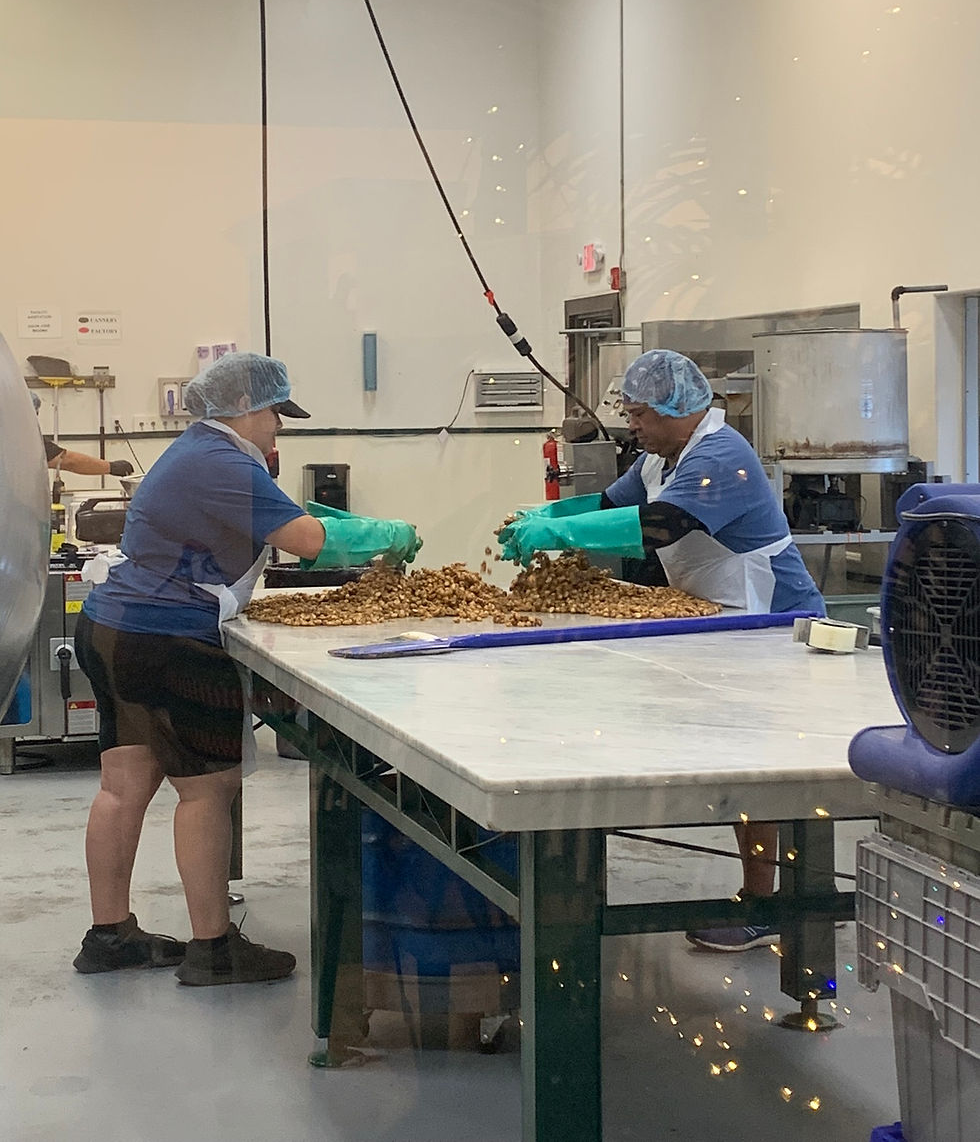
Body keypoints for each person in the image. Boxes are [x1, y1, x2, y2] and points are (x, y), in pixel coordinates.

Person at [72, 351, 421, 985]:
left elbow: (278, 519)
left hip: (113, 625)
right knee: (206, 789)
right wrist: (388, 536)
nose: (279, 428)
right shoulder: (222, 459)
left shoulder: (195, 452)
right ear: (245, 409)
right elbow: (307, 541)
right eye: (276, 415)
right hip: (169, 638)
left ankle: (109, 935)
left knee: (124, 784)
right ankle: (214, 950)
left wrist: (338, 521)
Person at [499, 348, 826, 954]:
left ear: (682, 407)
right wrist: (543, 513)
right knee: (733, 758)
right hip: (719, 624)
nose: (633, 426)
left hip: (773, 627)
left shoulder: (720, 455)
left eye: (642, 414)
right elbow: (608, 506)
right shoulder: (660, 457)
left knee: (761, 773)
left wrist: (557, 534)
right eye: (629, 412)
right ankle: (757, 896)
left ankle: (767, 905)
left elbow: (658, 529)